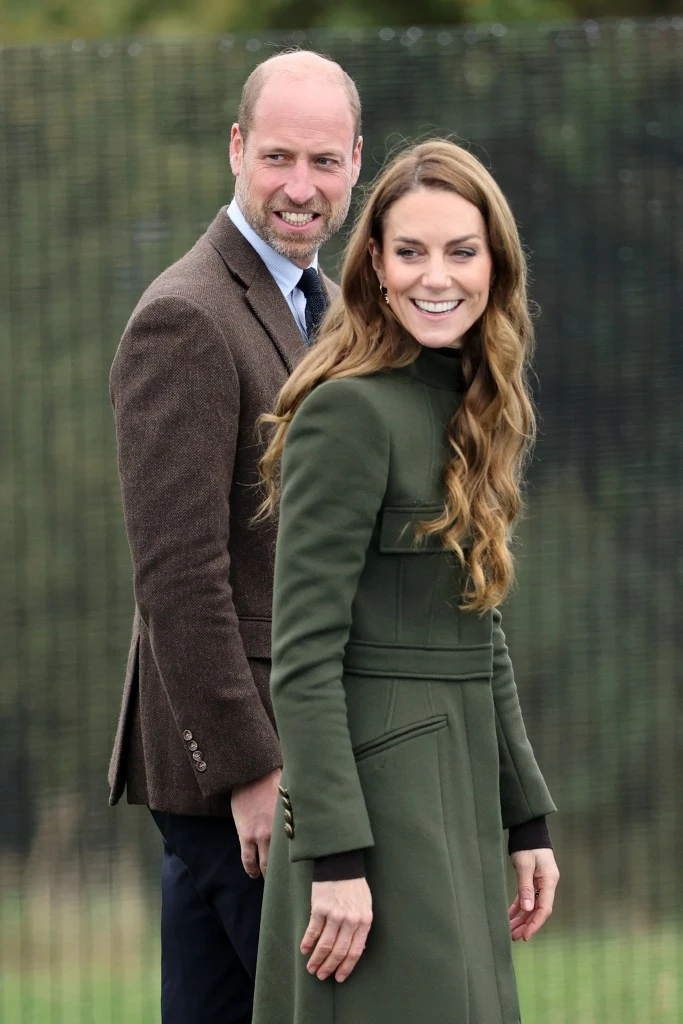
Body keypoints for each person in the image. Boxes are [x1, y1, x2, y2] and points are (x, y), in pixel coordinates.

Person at [253, 139, 560, 1024]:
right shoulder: (348, 410)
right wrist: (339, 858)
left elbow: (478, 629)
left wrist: (525, 815)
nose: (438, 277)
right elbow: (303, 656)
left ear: (493, 265)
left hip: (456, 792)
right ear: (376, 269)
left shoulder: (471, 403)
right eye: (411, 252)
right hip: (374, 817)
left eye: (461, 251)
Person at [107, 50, 362, 1024]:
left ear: (354, 163)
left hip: (283, 759)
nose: (301, 187)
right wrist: (251, 770)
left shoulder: (327, 309)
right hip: (243, 776)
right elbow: (177, 575)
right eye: (278, 158)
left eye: (325, 162)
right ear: (235, 149)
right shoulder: (185, 316)